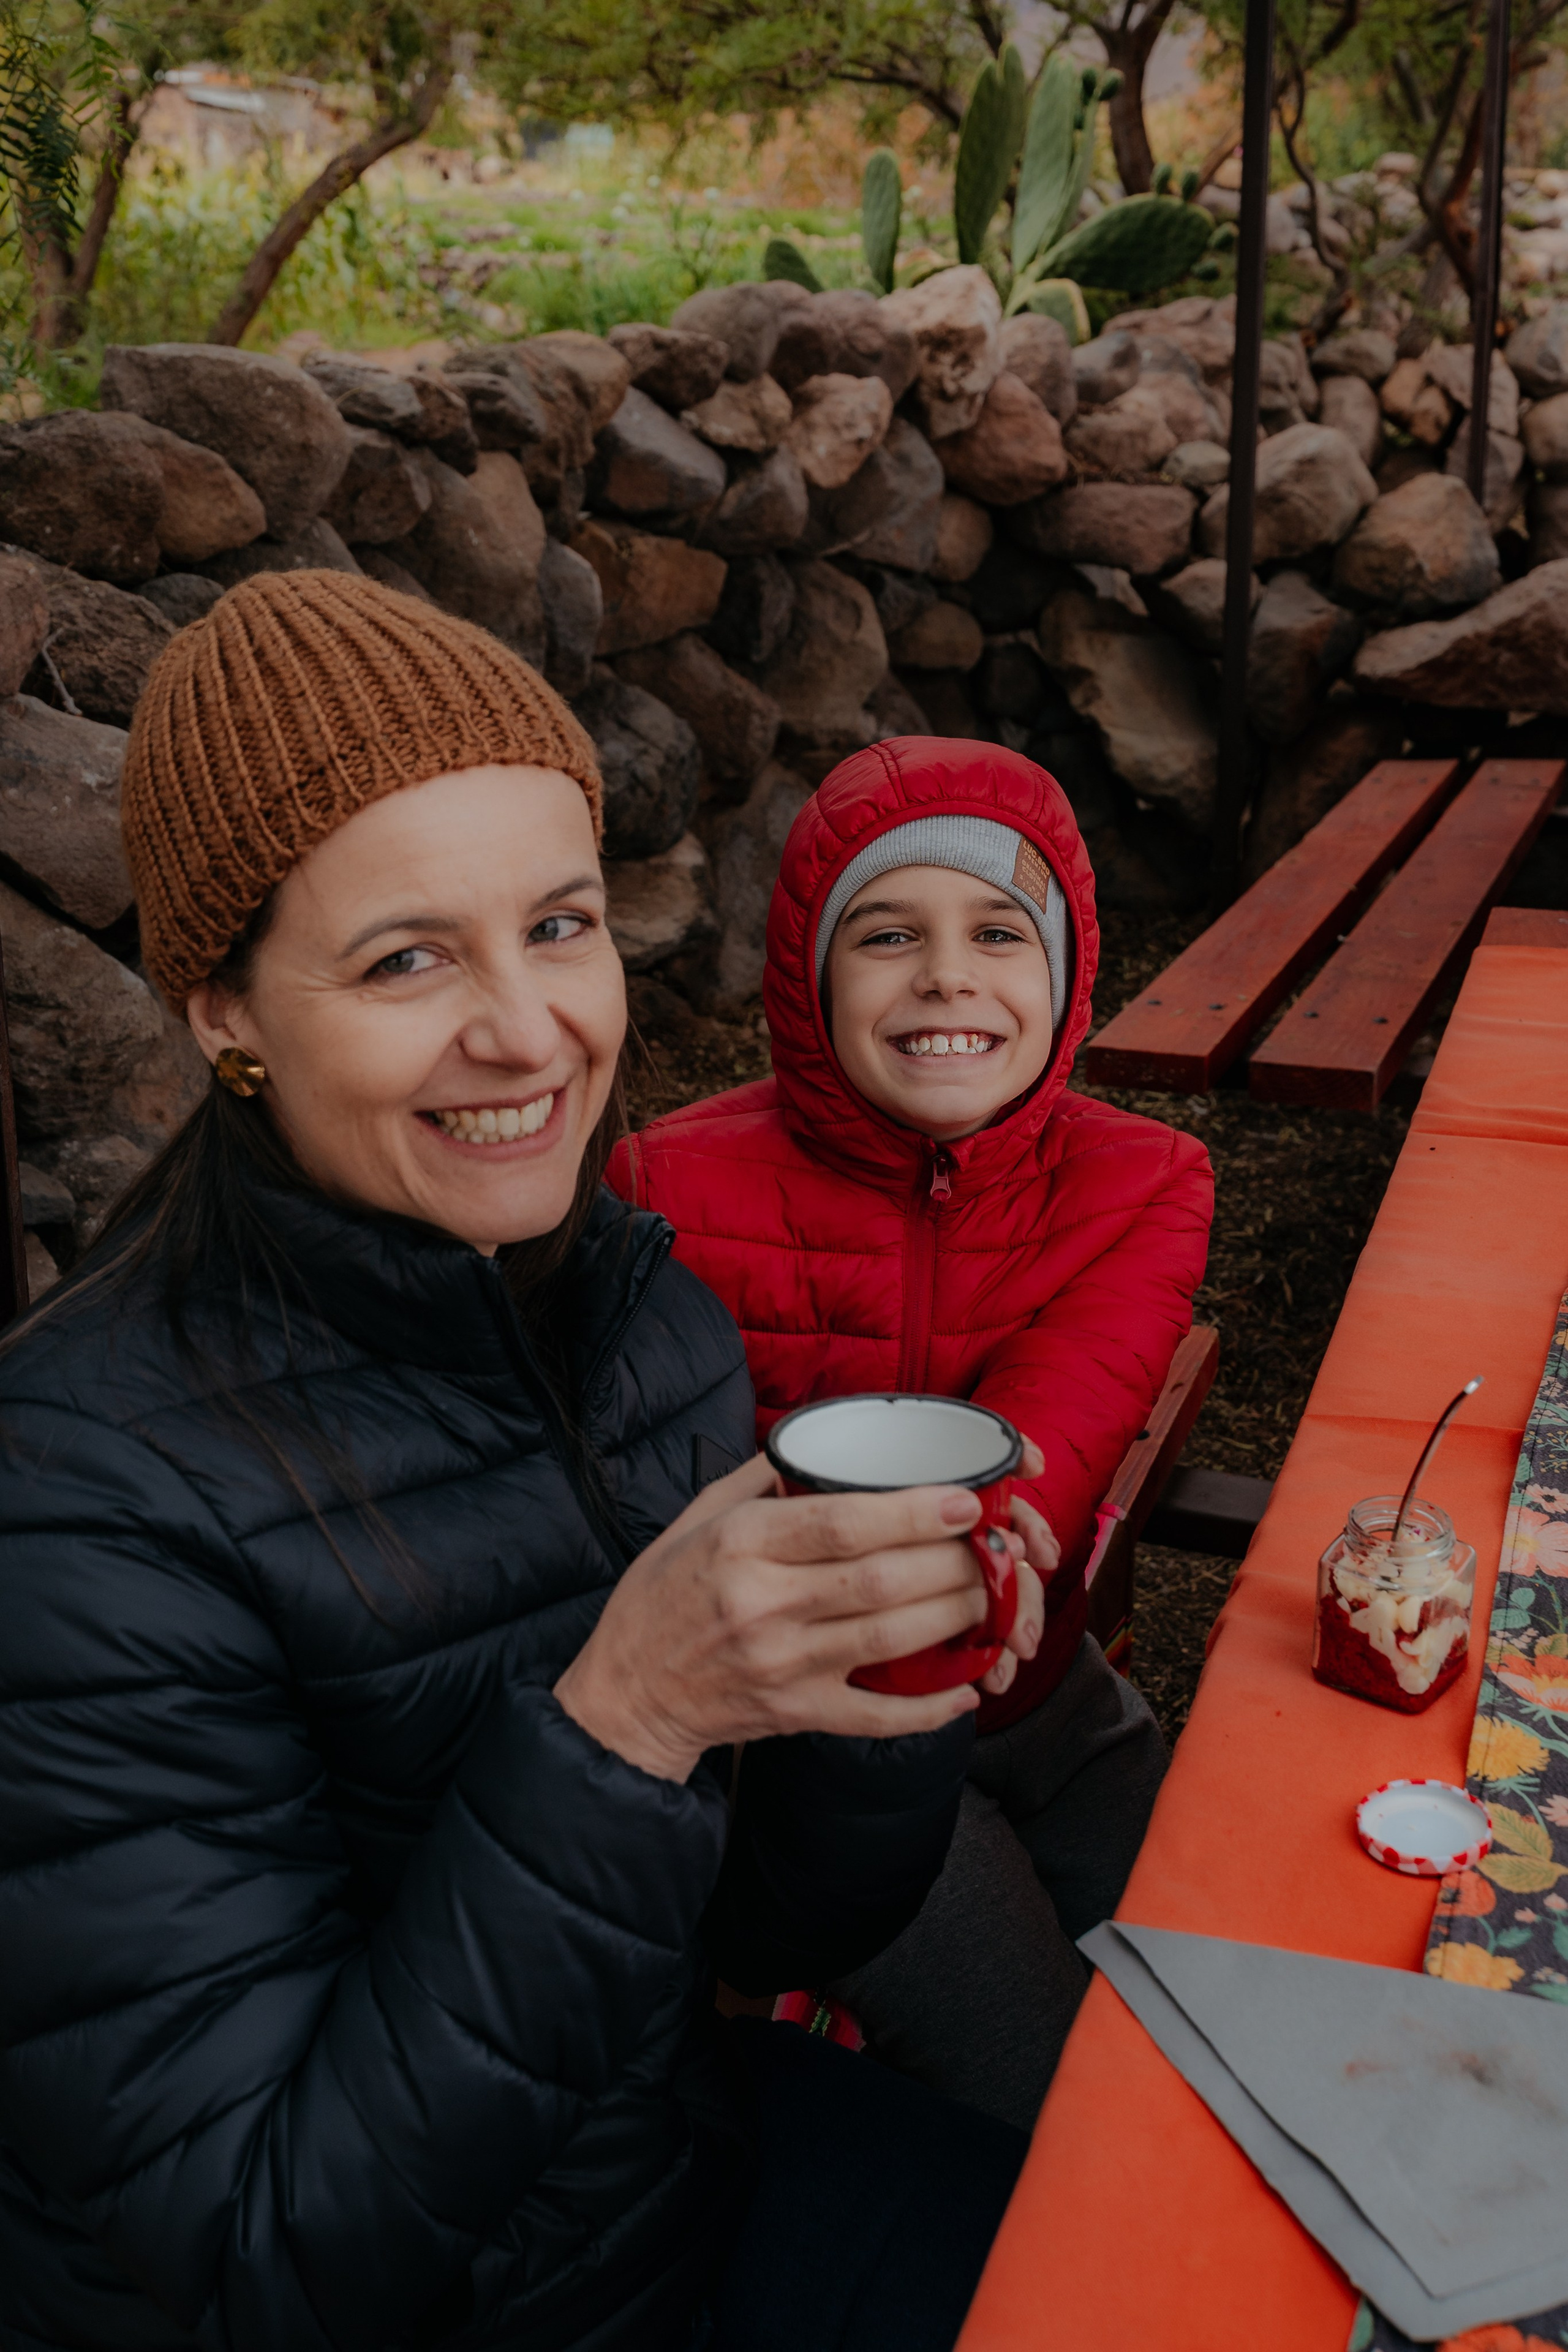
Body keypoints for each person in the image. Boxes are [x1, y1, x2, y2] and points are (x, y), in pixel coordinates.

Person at [0, 578, 1038, 2352]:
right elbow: (262, 2254)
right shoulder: (80, 1502)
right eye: (408, 957)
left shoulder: (634, 1317)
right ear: (221, 1012)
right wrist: (621, 1725)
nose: (531, 1029)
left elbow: (778, 1923)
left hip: (663, 2182)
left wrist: (875, 1691)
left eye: (560, 926)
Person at [609, 737, 1215, 2128]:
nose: (947, 972)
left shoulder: (1143, 1179)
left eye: (999, 931)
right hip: (830, 1765)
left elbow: (1064, 1407)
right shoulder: (663, 1188)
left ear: (1063, 975)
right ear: (806, 974)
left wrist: (994, 1559)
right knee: (1061, 2101)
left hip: (1050, 1700)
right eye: (887, 933)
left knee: (1219, 1997)